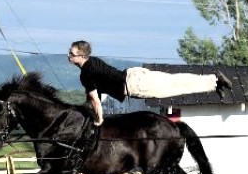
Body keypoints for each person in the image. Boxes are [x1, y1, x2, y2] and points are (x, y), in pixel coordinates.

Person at [68, 40, 233, 126]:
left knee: (175, 87)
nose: (69, 55)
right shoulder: (93, 62)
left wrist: (99, 120)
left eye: (72, 53)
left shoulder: (86, 73)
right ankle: (215, 82)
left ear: (81, 56)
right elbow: (95, 95)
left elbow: (95, 101)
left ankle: (215, 82)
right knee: (175, 80)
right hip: (134, 75)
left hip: (135, 85)